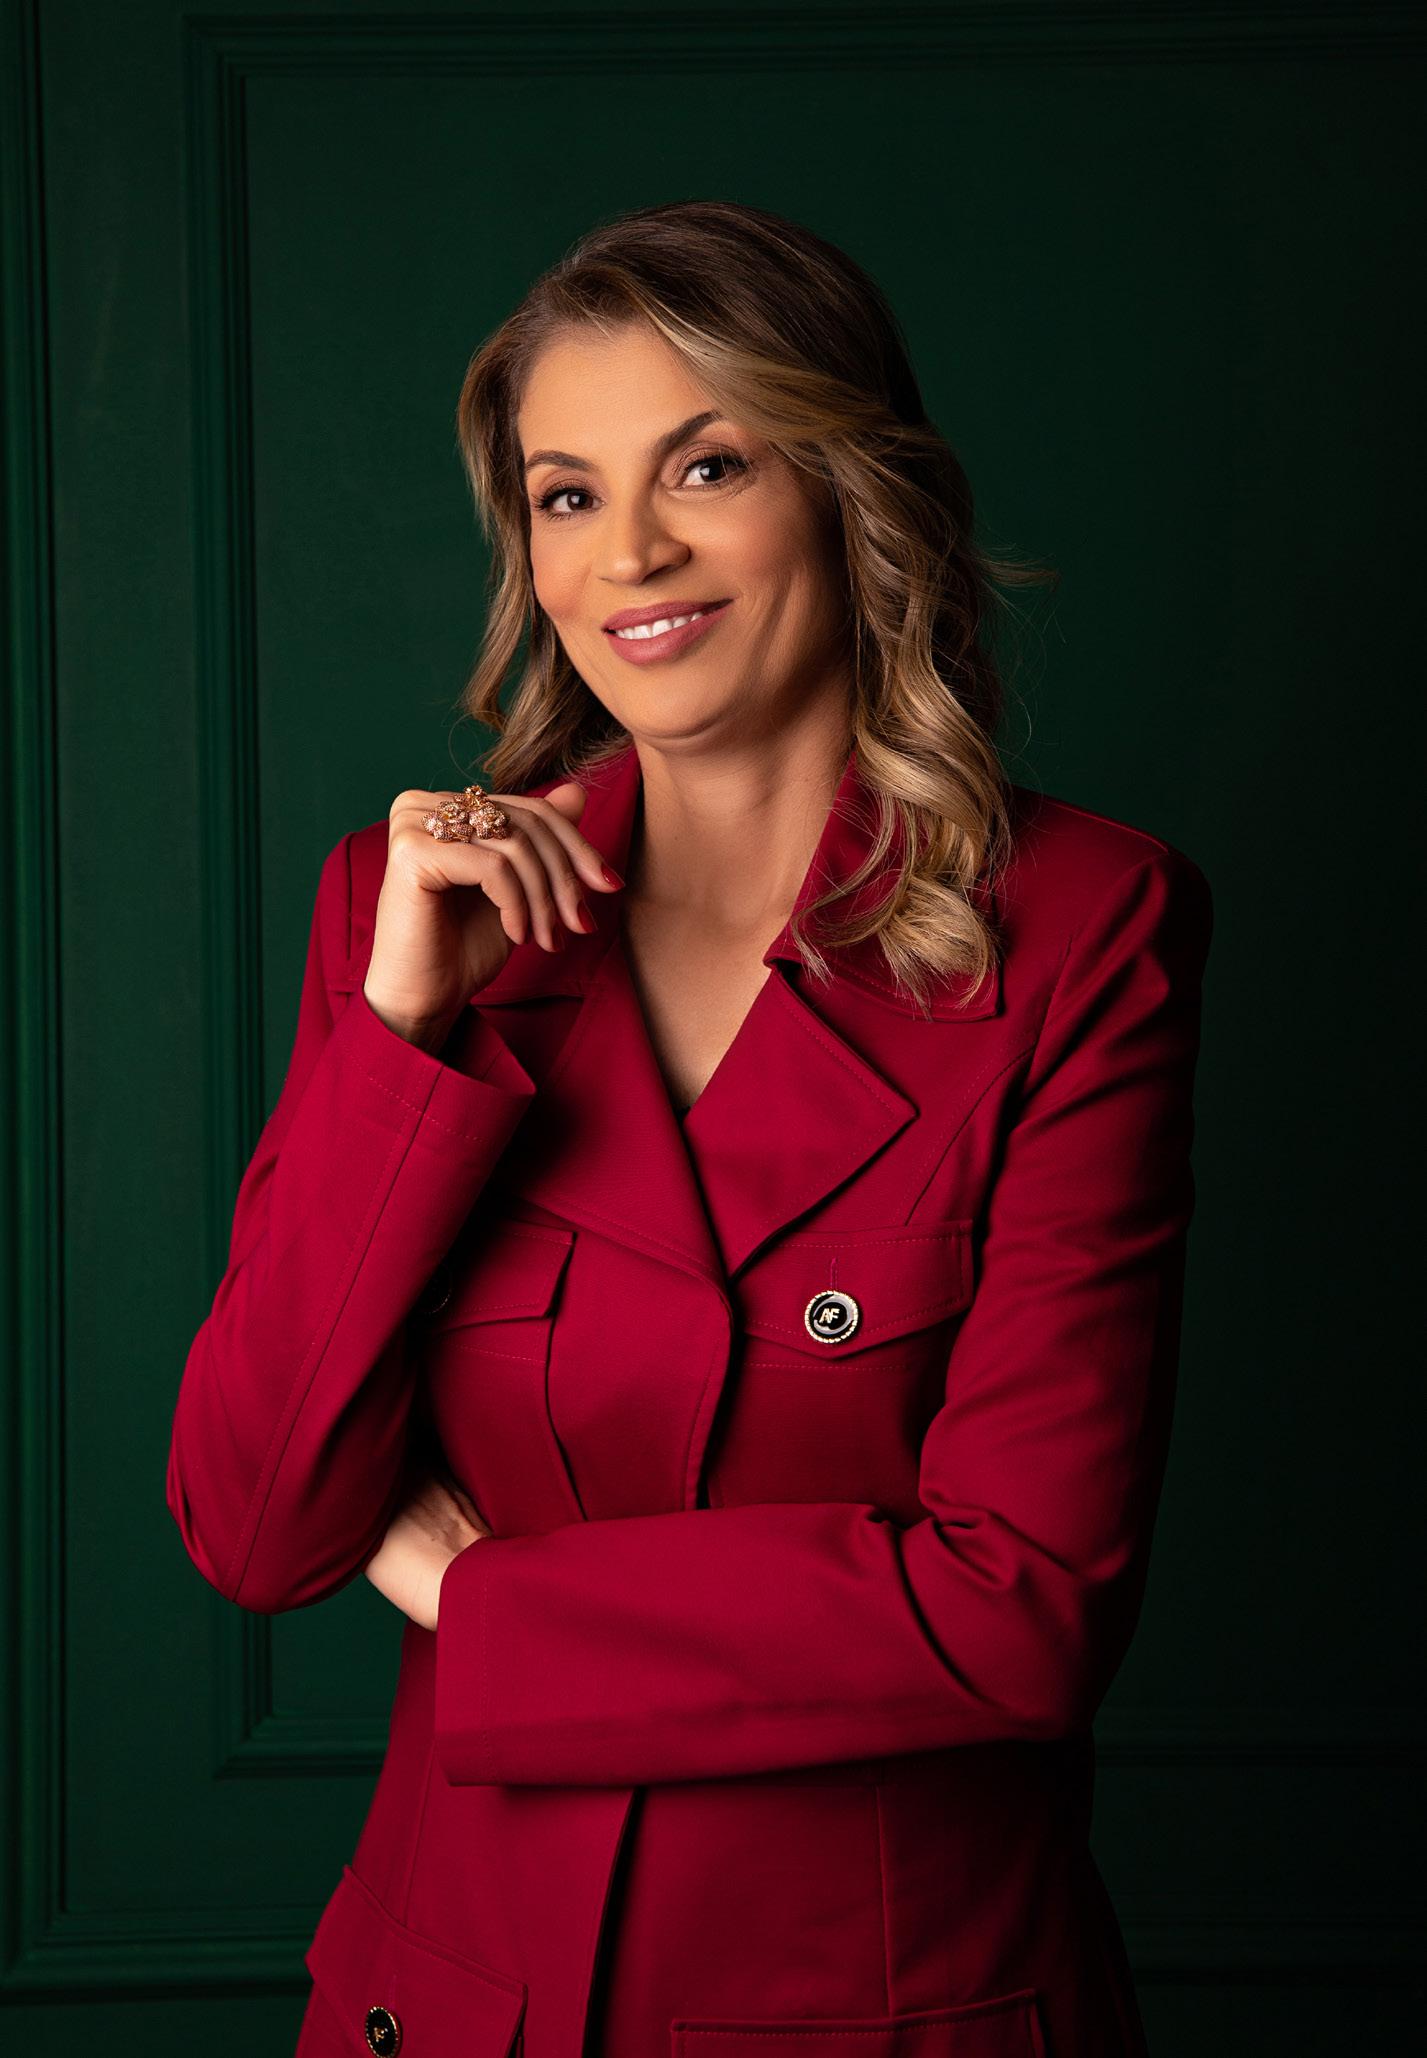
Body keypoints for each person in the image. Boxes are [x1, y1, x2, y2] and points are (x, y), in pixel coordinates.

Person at [166, 200, 1213, 2058]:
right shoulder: (404, 916)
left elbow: (1022, 1605)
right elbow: (256, 1525)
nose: (631, 550)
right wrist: (403, 1032)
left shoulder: (1085, 930)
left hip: (886, 2009)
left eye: (706, 465)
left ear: (850, 493)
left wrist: (484, 1598)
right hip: (455, 1995)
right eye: (566, 495)